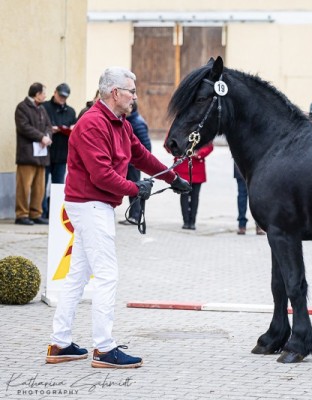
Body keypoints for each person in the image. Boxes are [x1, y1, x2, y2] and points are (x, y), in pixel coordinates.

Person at [46, 67, 191, 368]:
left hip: (94, 205)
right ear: (115, 93)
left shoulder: (120, 123)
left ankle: (60, 344)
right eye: (131, 91)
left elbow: (139, 155)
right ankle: (104, 348)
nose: (135, 97)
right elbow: (101, 175)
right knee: (107, 275)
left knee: (78, 275)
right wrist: (134, 189)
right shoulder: (92, 124)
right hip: (90, 205)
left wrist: (171, 177)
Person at [14, 82, 52, 225]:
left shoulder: (42, 108)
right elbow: (24, 127)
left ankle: (36, 213)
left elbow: (49, 125)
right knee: (24, 187)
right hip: (27, 155)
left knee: (39, 187)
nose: (45, 95)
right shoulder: (22, 107)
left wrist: (47, 137)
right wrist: (40, 137)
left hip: (41, 155)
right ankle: (21, 214)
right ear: (36, 94)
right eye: (43, 93)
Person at [41, 83, 77, 218]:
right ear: (55, 92)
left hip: (62, 154)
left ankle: (55, 213)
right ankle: (42, 212)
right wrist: (51, 129)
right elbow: (41, 125)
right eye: (60, 96)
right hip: (46, 152)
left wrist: (72, 128)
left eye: (65, 97)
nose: (62, 99)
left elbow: (74, 125)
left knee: (58, 186)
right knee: (42, 186)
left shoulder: (70, 111)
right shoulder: (44, 107)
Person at [119, 101, 152, 225]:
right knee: (132, 189)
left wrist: (135, 160)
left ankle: (136, 216)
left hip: (133, 164)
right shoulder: (132, 121)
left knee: (135, 189)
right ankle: (134, 215)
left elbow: (146, 146)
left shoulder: (137, 123)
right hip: (130, 163)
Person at [174, 142, 214, 230]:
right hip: (183, 167)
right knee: (184, 195)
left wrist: (199, 154)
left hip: (196, 168)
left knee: (194, 196)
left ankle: (191, 221)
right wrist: (178, 151)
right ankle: (187, 221)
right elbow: (168, 143)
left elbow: (209, 146)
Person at [235, 164, 265, 235]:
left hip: (242, 166)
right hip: (255, 166)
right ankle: (258, 225)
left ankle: (242, 226)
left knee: (242, 195)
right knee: (256, 195)